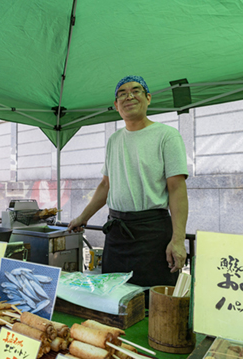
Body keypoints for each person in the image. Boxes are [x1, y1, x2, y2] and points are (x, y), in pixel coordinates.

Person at [68, 75, 188, 288]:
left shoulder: (167, 135)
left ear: (148, 98)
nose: (129, 96)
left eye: (136, 91)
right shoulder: (114, 140)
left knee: (153, 299)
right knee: (114, 296)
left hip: (153, 232)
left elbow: (177, 188)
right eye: (122, 94)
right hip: (116, 233)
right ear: (116, 105)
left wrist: (178, 239)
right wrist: (82, 217)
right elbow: (106, 185)